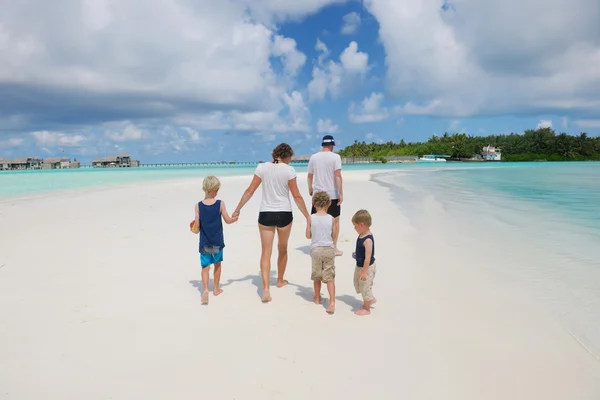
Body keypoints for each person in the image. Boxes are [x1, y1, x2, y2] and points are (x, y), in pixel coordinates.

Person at [233, 143, 310, 303]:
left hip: (266, 213)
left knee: (265, 251)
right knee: (282, 248)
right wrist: (307, 216)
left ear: (275, 154)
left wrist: (238, 208)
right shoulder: (289, 170)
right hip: (284, 213)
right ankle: (280, 280)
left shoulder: (262, 168)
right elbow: (296, 196)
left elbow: (250, 191)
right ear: (288, 156)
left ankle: (266, 289)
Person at [192, 176, 238, 305]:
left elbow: (197, 227)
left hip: (205, 242)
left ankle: (206, 290)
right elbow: (228, 221)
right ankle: (216, 289)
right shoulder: (220, 204)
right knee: (217, 264)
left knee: (205, 266)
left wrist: (193, 229)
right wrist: (235, 218)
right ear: (215, 190)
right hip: (217, 242)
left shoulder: (198, 206)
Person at [307, 134, 343, 256]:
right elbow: (337, 176)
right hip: (332, 194)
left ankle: (315, 246)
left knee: (316, 220)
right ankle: (333, 247)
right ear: (332, 145)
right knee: (335, 221)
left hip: (318, 194)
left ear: (322, 144)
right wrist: (340, 193)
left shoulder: (314, 157)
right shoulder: (336, 157)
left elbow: (310, 176)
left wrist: (310, 189)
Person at [305, 191, 336, 314]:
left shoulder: (310, 218)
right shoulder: (332, 219)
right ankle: (332, 301)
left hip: (316, 250)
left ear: (314, 204)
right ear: (328, 204)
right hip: (328, 249)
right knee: (330, 277)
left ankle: (317, 298)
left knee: (317, 276)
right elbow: (333, 236)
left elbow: (308, 235)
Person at [351, 209, 377, 316]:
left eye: (355, 226)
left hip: (367, 268)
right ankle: (370, 298)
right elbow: (362, 251)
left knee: (365, 286)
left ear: (362, 225)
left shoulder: (368, 240)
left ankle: (366, 308)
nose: (354, 228)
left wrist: (364, 272)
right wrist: (357, 255)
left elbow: (368, 258)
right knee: (357, 283)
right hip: (360, 265)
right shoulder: (362, 234)